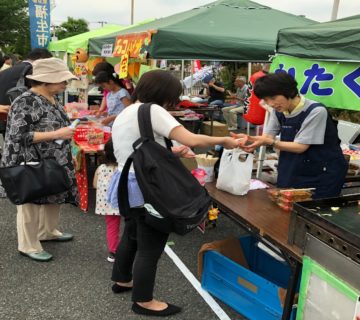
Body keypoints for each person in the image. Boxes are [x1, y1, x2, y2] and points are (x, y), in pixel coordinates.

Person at [110, 70, 239, 317]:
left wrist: (174, 152)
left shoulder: (127, 112)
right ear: (164, 94)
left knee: (133, 235)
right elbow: (191, 138)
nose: (174, 101)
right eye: (173, 96)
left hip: (129, 184)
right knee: (152, 244)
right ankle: (144, 300)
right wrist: (226, 140)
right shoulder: (153, 110)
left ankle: (123, 279)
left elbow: (139, 148)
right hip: (150, 188)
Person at [0, 57, 79, 262]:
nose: (65, 84)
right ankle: (28, 245)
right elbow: (18, 136)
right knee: (30, 202)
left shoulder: (52, 98)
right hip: (28, 161)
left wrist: (70, 154)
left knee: (53, 195)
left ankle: (47, 231)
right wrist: (57, 135)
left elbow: (61, 130)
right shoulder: (25, 101)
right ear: (45, 81)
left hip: (52, 159)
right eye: (62, 80)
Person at [234, 72, 348, 199]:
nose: (270, 104)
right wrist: (252, 141)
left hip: (322, 171)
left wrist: (269, 142)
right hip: (292, 167)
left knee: (316, 212)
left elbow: (300, 147)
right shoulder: (279, 111)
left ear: (288, 91)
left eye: (273, 98)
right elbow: (268, 137)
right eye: (266, 100)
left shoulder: (315, 111)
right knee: (285, 209)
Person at [0, 49, 53, 138]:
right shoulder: (31, 71)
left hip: (5, 117)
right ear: (41, 60)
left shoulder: (6, 71)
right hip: (21, 120)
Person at [93, 140, 121, 263]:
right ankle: (132, 249)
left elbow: (94, 185)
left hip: (107, 204)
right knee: (133, 224)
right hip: (123, 201)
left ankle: (113, 251)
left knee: (112, 227)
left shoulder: (100, 168)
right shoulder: (122, 168)